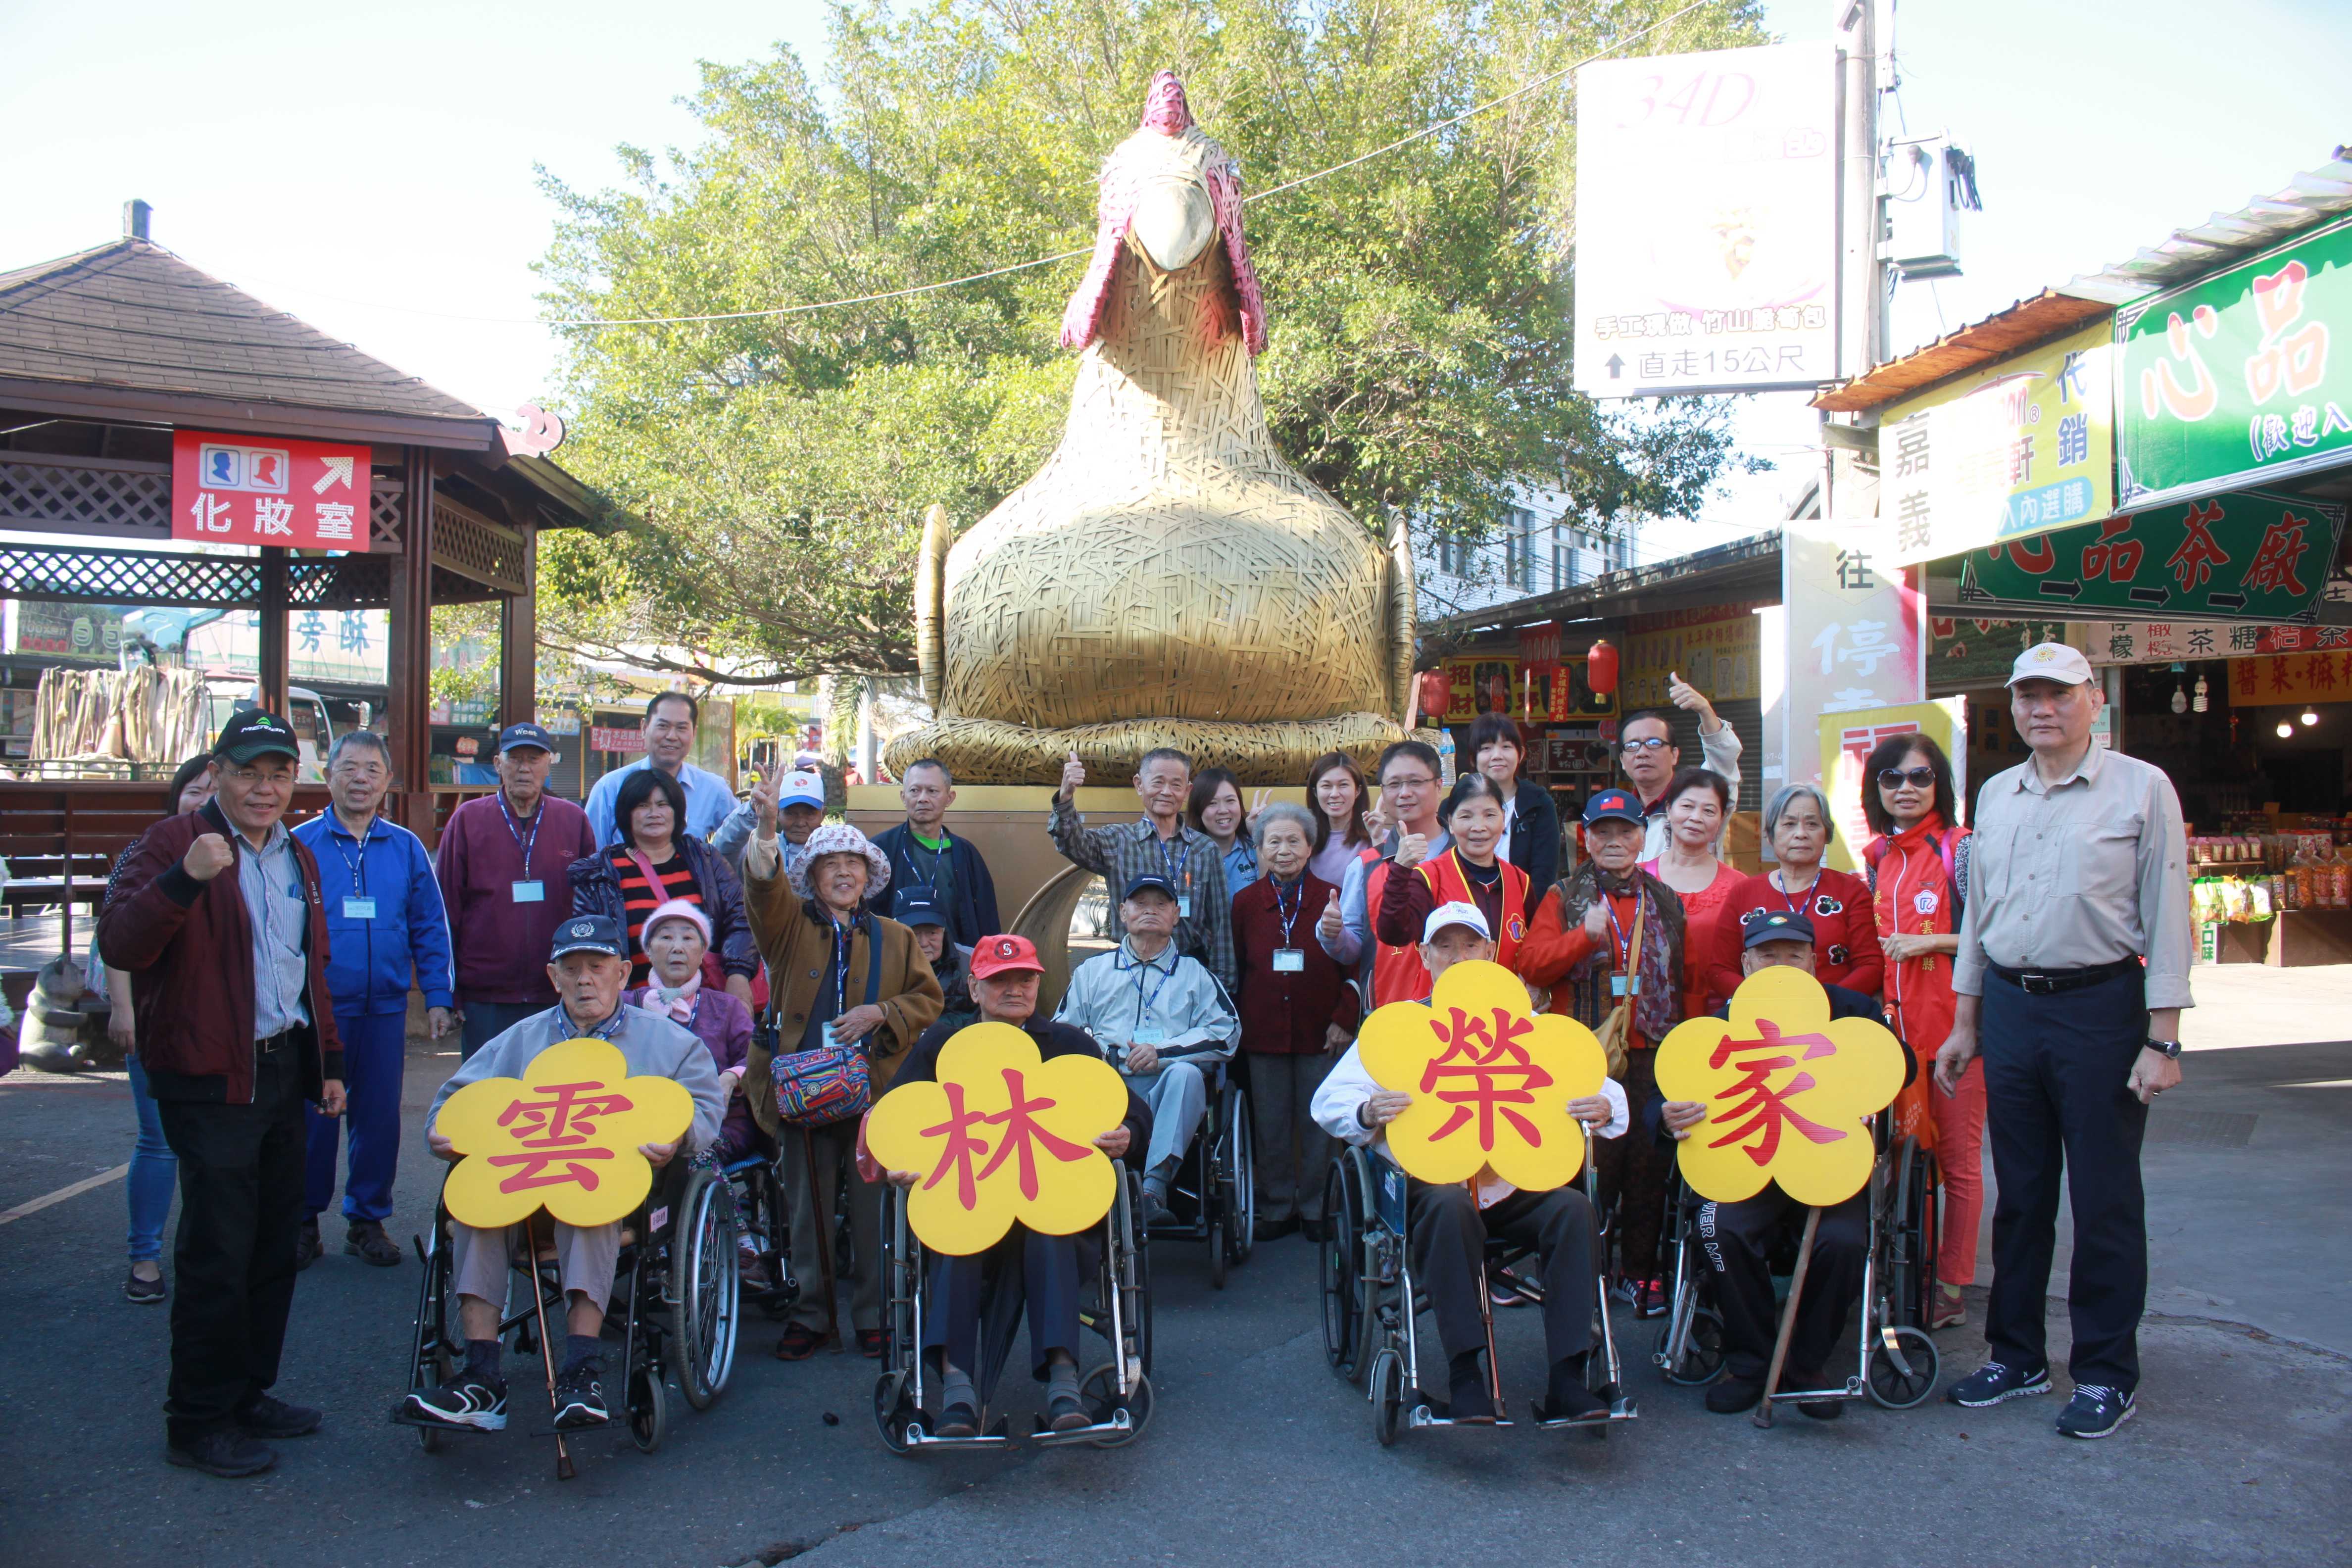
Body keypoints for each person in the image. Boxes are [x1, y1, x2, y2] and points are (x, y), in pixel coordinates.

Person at [1937, 643, 2191, 1440]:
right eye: (2026, 697)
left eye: (2057, 695)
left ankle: (2107, 1373)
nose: (2040, 710)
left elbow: (2169, 914)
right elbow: (1979, 916)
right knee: (2022, 1196)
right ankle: (2017, 1355)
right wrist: (1966, 1019)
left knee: (2106, 1199)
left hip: (2101, 1008)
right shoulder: (1997, 793)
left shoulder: (2143, 789)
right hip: (2010, 1006)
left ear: (2091, 701)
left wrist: (2164, 1040)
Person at [96, 710, 347, 1478]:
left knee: (274, 1243)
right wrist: (185, 881)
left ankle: (247, 1393)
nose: (266, 788)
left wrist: (328, 1063)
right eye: (250, 772)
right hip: (209, 1075)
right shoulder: (175, 845)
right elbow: (121, 944)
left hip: (281, 1068)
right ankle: (198, 1418)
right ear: (218, 771)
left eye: (279, 773)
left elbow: (312, 969)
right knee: (218, 1248)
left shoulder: (297, 854)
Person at [401, 915, 724, 1435]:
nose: (584, 981)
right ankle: (482, 1376)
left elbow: (706, 1113)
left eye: (597, 968)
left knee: (590, 1203)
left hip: (611, 1190)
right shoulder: (520, 1040)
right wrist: (444, 1133)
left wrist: (677, 1140)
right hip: (525, 1189)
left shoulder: (670, 1044)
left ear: (622, 973)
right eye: (571, 970)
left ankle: (581, 1370)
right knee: (479, 1208)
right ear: (553, 978)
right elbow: (451, 1104)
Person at [1312, 901, 1629, 1423]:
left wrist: (1603, 1106)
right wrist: (1368, 1109)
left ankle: (1569, 1381)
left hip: (1512, 1184)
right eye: (1445, 946)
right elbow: (1328, 1101)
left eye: (1470, 945)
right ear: (1424, 955)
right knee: (1447, 1205)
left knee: (1574, 1209)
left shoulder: (1524, 1024)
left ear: (1489, 951)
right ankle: (1465, 1378)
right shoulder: (1400, 1026)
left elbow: (1605, 1091)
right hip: (1431, 1187)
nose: (1458, 957)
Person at [883, 934, 1149, 1436]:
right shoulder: (943, 1043)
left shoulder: (1069, 1045)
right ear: (974, 987)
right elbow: (900, 1115)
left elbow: (1131, 1109)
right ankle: (958, 1391)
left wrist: (1127, 1133)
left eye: (1024, 978)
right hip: (971, 1198)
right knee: (959, 1233)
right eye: (999, 980)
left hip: (1048, 1200)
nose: (1014, 989)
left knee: (1050, 1228)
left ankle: (1064, 1383)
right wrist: (900, 1162)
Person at [1654, 909, 1896, 1418]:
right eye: (1768, 955)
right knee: (1718, 1228)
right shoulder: (1720, 1025)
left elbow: (1901, 1068)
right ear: (1746, 963)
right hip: (1744, 1167)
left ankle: (1806, 1363)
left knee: (1846, 1242)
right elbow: (1668, 1098)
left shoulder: (1852, 1012)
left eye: (1793, 954)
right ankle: (1752, 1361)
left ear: (1812, 961)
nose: (1781, 964)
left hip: (1828, 1166)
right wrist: (1669, 1115)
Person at [740, 821, 943, 1360]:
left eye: (854, 864)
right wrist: (765, 829)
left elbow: (930, 999)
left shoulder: (896, 937)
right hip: (801, 1091)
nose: (844, 873)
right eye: (832, 864)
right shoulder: (787, 929)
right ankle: (812, 1315)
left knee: (873, 1206)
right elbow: (764, 891)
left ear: (869, 875)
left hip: (873, 1091)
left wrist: (884, 1012)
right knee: (807, 1208)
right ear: (812, 875)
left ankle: (874, 1315)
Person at [1517, 787, 1686, 1320]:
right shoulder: (1562, 896)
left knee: (1648, 1164)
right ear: (1583, 837)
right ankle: (1579, 1270)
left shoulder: (1666, 899)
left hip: (1653, 1053)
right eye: (1602, 832)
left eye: (1626, 831)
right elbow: (1533, 965)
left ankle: (1639, 1274)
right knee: (1589, 1166)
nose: (1615, 841)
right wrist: (1583, 938)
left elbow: (1687, 980)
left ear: (1643, 836)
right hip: (1582, 1053)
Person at [290, 731, 454, 1271]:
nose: (361, 779)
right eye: (350, 768)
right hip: (318, 1010)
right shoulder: (299, 843)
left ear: (387, 781)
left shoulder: (405, 846)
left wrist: (436, 996)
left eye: (372, 770)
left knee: (378, 1117)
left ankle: (367, 1219)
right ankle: (303, 1219)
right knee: (314, 1115)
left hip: (384, 1007)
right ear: (328, 775)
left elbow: (430, 925)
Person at [1861, 732, 1981, 1332]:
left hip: (1961, 1036)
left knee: (1957, 1163)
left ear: (1940, 785)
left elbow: (2004, 932)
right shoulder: (1878, 858)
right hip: (1897, 1043)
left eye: (1919, 777)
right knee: (1908, 1157)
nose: (1905, 789)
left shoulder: (1961, 848)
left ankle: (1951, 1285)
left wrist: (1930, 941)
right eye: (1891, 778)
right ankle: (1908, 1266)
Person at [1055, 874, 1238, 1224]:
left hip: (1168, 1088)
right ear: (1122, 912)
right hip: (1107, 1088)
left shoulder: (1194, 973)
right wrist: (1096, 1052)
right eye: (1140, 904)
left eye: (1161, 904)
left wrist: (1163, 1051)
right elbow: (1063, 1030)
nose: (1150, 911)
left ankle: (1153, 1189)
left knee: (1187, 1074)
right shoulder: (1092, 971)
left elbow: (1227, 1032)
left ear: (1175, 914)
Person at [107, 753, 214, 1304]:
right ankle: (144, 1257)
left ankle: (207, 1261)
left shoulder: (242, 856)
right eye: (194, 791)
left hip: (216, 1026)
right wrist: (123, 1009)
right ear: (177, 796)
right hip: (154, 1020)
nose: (203, 801)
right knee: (159, 1143)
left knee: (216, 1149)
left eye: (213, 791)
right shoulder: (147, 850)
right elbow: (117, 936)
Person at [435, 722, 601, 1061]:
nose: (525, 768)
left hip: (557, 989)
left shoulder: (573, 821)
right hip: (486, 994)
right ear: (498, 764)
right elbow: (445, 911)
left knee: (552, 1094)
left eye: (534, 759)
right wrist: (448, 993)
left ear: (548, 763)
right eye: (516, 759)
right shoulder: (467, 821)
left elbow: (592, 909)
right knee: (488, 1095)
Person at [1231, 802, 1357, 1241]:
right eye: (1274, 842)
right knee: (1271, 1123)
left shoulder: (1332, 896)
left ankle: (1317, 1208)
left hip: (1320, 1030)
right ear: (1262, 849)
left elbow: (1353, 968)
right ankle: (1277, 1206)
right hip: (1262, 1031)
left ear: (1309, 846)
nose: (1283, 850)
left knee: (1319, 1122)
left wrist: (1344, 1019)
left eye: (1293, 841)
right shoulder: (1245, 903)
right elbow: (1237, 967)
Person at [568, 767, 758, 1006]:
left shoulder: (706, 860)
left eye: (662, 804)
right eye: (642, 806)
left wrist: (738, 974)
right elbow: (590, 947)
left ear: (677, 812)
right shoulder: (599, 876)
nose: (654, 813)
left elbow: (741, 917)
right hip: (632, 1008)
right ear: (626, 814)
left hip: (706, 1008)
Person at [1049, 747, 1234, 990]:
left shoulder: (1205, 849)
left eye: (1176, 785)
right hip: (1130, 972)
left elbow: (1220, 925)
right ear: (1139, 784)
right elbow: (1070, 842)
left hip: (1188, 972)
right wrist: (1066, 797)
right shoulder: (1118, 840)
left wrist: (1224, 990)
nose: (1166, 792)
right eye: (1158, 782)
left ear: (1187, 791)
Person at [1709, 783, 1884, 1003]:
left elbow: (1871, 966)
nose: (1801, 834)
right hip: (1758, 1017)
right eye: (1789, 824)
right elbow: (1720, 969)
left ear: (1827, 834)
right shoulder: (1743, 892)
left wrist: (1821, 1002)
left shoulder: (1851, 891)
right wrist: (1758, 1001)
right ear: (1770, 835)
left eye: (1812, 824)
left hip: (1836, 1018)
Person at [1316, 740, 1450, 1006]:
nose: (1404, 793)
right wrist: (1332, 934)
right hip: (1388, 1015)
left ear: (1439, 785)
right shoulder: (1366, 865)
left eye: (1415, 782)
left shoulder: (1463, 859)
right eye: (1394, 784)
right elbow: (1352, 949)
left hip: (1461, 1014)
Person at [1376, 772, 1534, 976]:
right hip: (1442, 1005)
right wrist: (1401, 869)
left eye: (1490, 815)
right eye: (1466, 816)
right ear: (1450, 822)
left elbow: (1535, 947)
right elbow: (1393, 934)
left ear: (1504, 819)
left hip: (1503, 1006)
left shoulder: (1521, 881)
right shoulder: (1429, 877)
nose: (1479, 827)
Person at [867, 757, 1001, 947]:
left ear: (950, 798)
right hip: (896, 962)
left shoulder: (966, 854)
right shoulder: (880, 851)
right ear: (903, 797)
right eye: (915, 790)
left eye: (932, 791)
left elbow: (987, 920)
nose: (923, 798)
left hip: (958, 967)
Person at [1644, 768, 1743, 1022]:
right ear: (1669, 809)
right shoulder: (1637, 879)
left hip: (1718, 1019)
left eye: (1709, 811)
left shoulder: (1740, 887)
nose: (1696, 818)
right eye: (1687, 806)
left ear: (1721, 820)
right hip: (1647, 1017)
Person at [583, 691, 737, 846]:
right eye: (663, 726)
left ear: (694, 733)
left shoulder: (714, 789)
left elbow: (741, 846)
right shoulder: (610, 788)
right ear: (644, 727)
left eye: (682, 728)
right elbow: (591, 855)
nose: (672, 736)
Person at [1617, 677, 1743, 859]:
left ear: (1675, 754)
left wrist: (1706, 712)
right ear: (1622, 759)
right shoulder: (1621, 813)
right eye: (1632, 745)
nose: (1642, 753)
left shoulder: (1696, 802)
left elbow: (1723, 762)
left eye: (1654, 743)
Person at [1468, 712, 1561, 896]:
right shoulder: (1455, 805)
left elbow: (1544, 876)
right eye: (1486, 748)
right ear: (1473, 758)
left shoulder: (1539, 804)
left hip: (1522, 914)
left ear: (1521, 754)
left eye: (1506, 747)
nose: (1497, 756)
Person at [712, 767, 827, 880]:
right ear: (778, 813)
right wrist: (752, 809)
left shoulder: (835, 853)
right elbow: (721, 852)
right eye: (791, 813)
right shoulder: (760, 848)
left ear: (823, 814)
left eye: (810, 814)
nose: (801, 823)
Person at [896, 888, 977, 1033]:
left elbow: (983, 1015)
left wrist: (934, 1028)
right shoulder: (882, 964)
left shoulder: (970, 962)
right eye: (914, 934)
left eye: (932, 933)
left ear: (944, 930)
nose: (924, 943)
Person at [1305, 750, 1377, 888]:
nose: (1335, 794)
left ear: (1358, 790)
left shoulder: (1377, 837)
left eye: (1343, 785)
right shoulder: (1305, 839)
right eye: (1326, 786)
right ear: (1315, 792)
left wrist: (1378, 840)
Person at [1188, 765, 1263, 896]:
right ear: (1198, 809)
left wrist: (1259, 838)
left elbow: (1270, 896)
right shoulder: (1186, 854)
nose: (1223, 810)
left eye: (1230, 801)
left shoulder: (1255, 848)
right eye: (1212, 803)